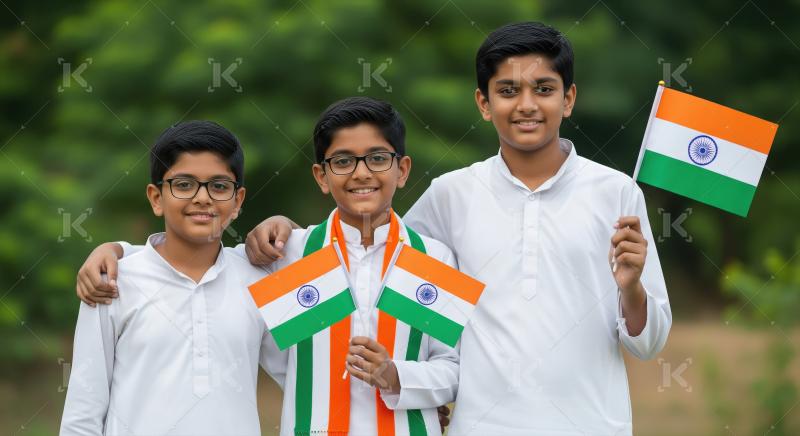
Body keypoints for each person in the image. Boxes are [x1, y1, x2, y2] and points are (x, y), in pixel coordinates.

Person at [241, 22, 672, 435]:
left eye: (544, 89)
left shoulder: (617, 192)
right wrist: (289, 231)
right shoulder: (451, 194)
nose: (526, 104)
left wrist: (631, 289)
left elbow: (648, 345)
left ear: (569, 98)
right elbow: (370, 254)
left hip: (593, 425)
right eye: (507, 90)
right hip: (481, 425)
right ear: (484, 103)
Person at [74, 98, 459, 435]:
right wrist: (115, 250)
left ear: (402, 169)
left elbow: (454, 368)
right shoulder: (291, 256)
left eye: (377, 159)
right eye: (343, 161)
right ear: (321, 176)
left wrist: (398, 377)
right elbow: (189, 260)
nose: (361, 173)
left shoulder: (433, 259)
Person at [60, 120, 286, 435]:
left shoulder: (259, 278)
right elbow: (83, 412)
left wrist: (286, 223)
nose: (203, 198)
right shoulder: (111, 281)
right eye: (184, 184)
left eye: (219, 186)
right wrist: (117, 249)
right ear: (156, 197)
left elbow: (310, 373)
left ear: (238, 200)